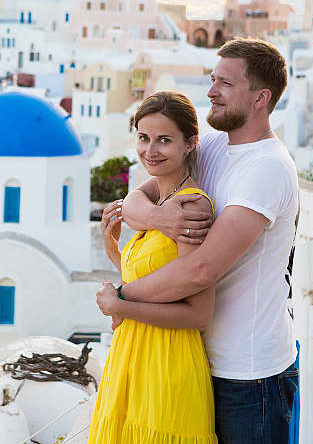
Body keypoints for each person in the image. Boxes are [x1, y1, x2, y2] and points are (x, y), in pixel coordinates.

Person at [96, 37, 300, 443]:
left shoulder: (267, 168)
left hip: (249, 374)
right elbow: (136, 197)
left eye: (225, 83)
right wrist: (158, 218)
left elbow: (201, 269)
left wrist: (121, 296)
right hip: (197, 359)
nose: (210, 91)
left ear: (260, 98)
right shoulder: (212, 147)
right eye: (212, 79)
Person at [89, 91, 217, 444]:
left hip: (167, 362)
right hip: (132, 355)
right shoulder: (157, 202)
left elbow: (197, 314)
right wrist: (113, 248)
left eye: (165, 140)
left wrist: (121, 305)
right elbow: (156, 281)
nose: (151, 150)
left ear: (190, 143)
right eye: (144, 138)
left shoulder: (191, 208)